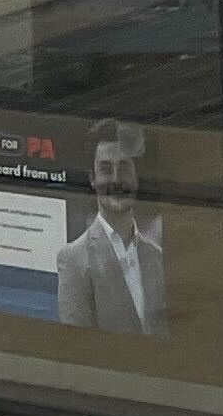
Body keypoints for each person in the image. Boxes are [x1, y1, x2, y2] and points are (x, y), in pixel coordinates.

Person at [54, 118, 166, 334]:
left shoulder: (156, 256)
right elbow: (79, 347)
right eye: (106, 169)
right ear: (92, 178)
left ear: (136, 177)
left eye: (124, 168)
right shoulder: (73, 259)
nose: (116, 179)